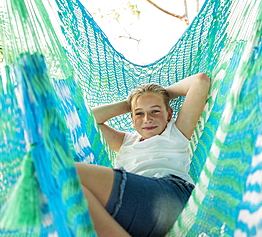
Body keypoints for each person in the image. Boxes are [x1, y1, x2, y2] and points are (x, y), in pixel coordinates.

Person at [75, 73, 210, 237]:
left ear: (168, 114)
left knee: (68, 173)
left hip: (170, 195)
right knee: (73, 194)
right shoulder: (125, 141)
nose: (147, 119)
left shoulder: (176, 132)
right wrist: (131, 103)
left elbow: (200, 81)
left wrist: (158, 95)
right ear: (131, 118)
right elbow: (86, 119)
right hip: (135, 211)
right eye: (139, 113)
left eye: (155, 110)